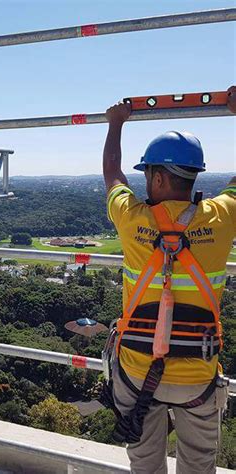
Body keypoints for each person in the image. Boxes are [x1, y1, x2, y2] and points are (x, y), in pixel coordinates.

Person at [102, 86, 236, 474]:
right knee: (198, 465)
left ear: (158, 177)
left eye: (147, 174)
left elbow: (112, 174)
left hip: (137, 369)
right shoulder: (221, 217)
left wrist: (115, 124)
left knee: (145, 464)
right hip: (197, 374)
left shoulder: (132, 219)